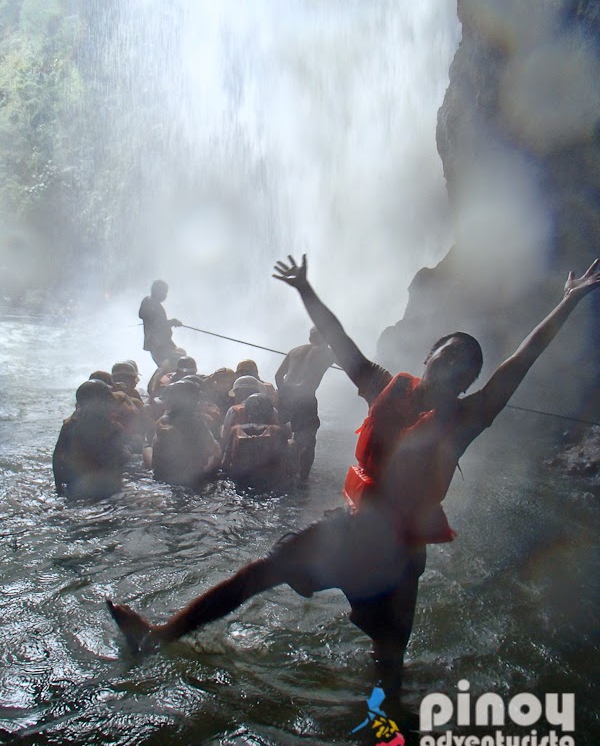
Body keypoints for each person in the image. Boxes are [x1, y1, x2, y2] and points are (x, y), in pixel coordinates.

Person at [108, 256, 600, 687]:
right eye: (446, 356)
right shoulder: (383, 385)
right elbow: (341, 342)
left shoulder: (469, 418)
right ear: (427, 358)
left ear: (470, 381)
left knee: (389, 661)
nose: (452, 368)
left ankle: (386, 741)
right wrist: (306, 291)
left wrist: (569, 301)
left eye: (465, 368)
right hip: (348, 532)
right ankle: (159, 635)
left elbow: (522, 360)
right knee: (259, 573)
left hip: (400, 558)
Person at [275, 326, 334, 479]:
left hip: (285, 396)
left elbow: (278, 375)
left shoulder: (295, 350)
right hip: (305, 399)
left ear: (310, 338)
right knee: (308, 441)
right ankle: (303, 480)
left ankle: (282, 472)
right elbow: (351, 364)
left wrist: (283, 394)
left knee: (282, 434)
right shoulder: (327, 353)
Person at [53, 380, 128, 499]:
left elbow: (57, 457)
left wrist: (58, 486)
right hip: (105, 488)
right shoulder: (113, 428)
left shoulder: (70, 426)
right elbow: (119, 462)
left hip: (76, 485)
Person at [150, 379, 221, 487]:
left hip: (163, 480)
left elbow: (155, 460)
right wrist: (206, 473)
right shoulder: (198, 423)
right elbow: (215, 452)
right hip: (192, 480)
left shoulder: (162, 422)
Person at [222, 393, 292, 484]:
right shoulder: (276, 431)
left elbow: (225, 462)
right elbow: (285, 462)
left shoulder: (235, 430)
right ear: (270, 413)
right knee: (291, 443)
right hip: (268, 480)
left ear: (247, 412)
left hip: (240, 478)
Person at [139, 280, 184, 366]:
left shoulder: (151, 302)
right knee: (170, 365)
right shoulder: (150, 302)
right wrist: (172, 322)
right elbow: (158, 324)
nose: (165, 295)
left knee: (177, 359)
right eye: (164, 292)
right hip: (159, 345)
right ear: (157, 291)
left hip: (162, 343)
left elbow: (156, 321)